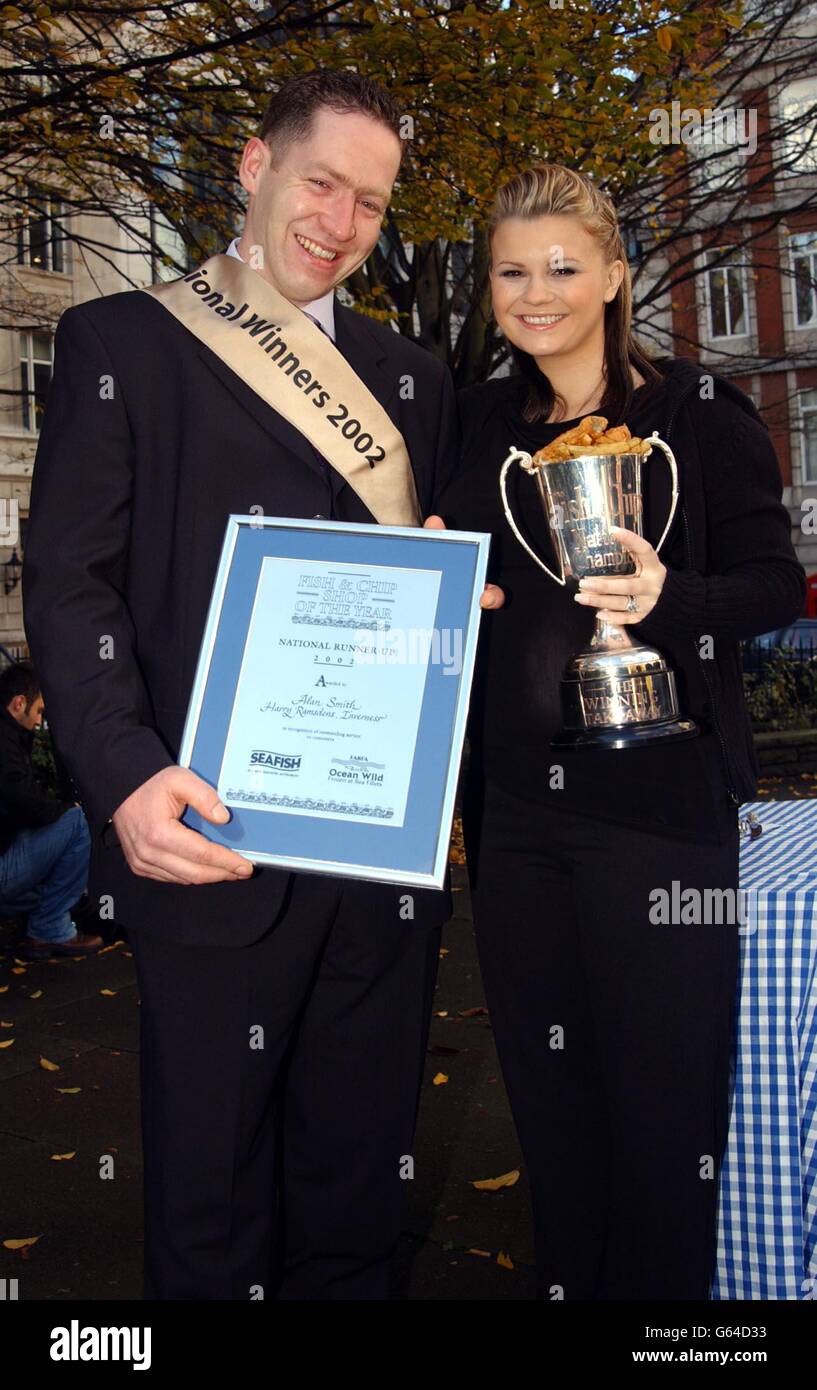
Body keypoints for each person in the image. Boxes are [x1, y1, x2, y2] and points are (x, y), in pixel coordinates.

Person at [22, 70, 501, 1301]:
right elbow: (71, 584)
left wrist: (460, 611)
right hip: (209, 838)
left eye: (372, 205)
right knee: (211, 1197)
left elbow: (426, 587)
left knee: (355, 1191)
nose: (340, 224)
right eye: (322, 183)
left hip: (375, 862)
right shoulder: (122, 343)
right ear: (252, 165)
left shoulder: (412, 381)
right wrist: (124, 778)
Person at [434, 164, 806, 1300]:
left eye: (560, 266)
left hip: (661, 820)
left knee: (660, 1122)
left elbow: (773, 587)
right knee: (554, 1121)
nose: (533, 291)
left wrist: (668, 601)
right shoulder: (476, 422)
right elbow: (463, 585)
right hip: (519, 820)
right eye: (510, 270)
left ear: (610, 277)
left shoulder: (694, 414)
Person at [0, 661, 96, 957]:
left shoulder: (8, 735)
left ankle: (45, 913)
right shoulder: (4, 741)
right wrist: (64, 809)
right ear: (19, 704)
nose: (40, 720)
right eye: (39, 711)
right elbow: (21, 796)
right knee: (80, 822)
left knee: (47, 893)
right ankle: (49, 929)